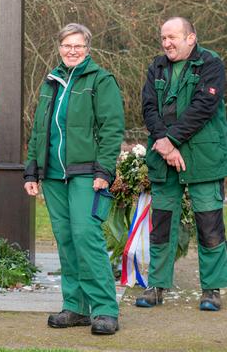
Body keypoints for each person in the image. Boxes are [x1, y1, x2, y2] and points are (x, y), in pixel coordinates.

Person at [23, 23, 124, 335]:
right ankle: (76, 307)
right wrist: (32, 169)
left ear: (87, 48)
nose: (72, 50)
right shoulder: (50, 81)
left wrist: (104, 171)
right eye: (67, 45)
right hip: (53, 175)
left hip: (86, 174)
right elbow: (40, 129)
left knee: (86, 236)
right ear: (59, 47)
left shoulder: (100, 80)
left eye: (78, 45)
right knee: (66, 240)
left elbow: (111, 128)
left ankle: (105, 310)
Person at [137, 17, 227, 311]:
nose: (167, 43)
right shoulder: (156, 67)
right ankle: (157, 286)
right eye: (163, 38)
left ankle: (212, 290)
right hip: (164, 159)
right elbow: (149, 107)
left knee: (210, 223)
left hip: (203, 159)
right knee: (161, 224)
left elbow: (204, 106)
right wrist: (165, 144)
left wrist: (169, 140)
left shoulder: (211, 64)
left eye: (173, 37)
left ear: (191, 38)